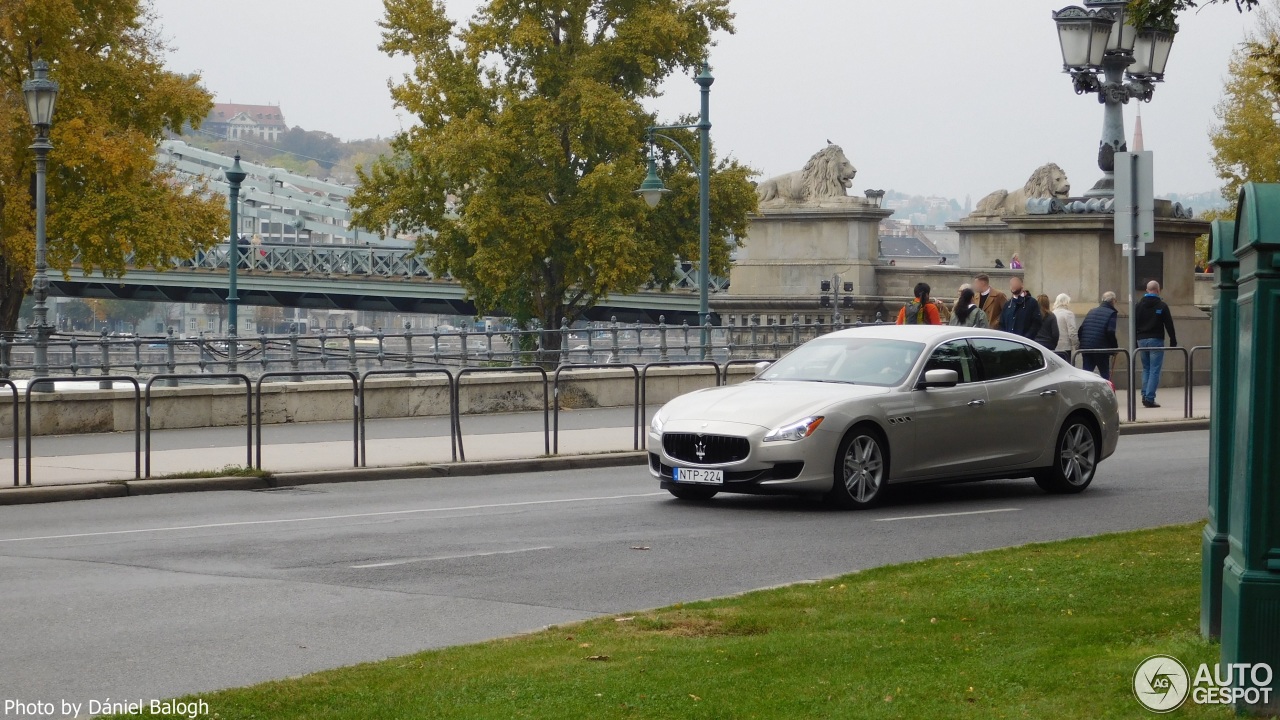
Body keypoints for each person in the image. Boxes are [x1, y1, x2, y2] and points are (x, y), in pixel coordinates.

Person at [1135, 281, 1178, 408]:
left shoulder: (1139, 305)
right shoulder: (1162, 305)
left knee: (1146, 368)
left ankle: (1144, 394)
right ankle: (1149, 398)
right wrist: (1173, 341)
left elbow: (1134, 323)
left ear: (1147, 290)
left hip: (1141, 339)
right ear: (1158, 290)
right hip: (1156, 339)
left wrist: (1135, 341)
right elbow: (1169, 324)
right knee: (1154, 370)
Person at [1079, 291, 1119, 380]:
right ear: (1113, 301)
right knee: (1104, 374)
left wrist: (1082, 343)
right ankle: (1106, 393)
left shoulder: (1091, 311)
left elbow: (1081, 329)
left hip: (1086, 347)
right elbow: (1110, 332)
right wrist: (1114, 348)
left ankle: (1085, 393)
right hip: (1101, 348)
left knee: (1086, 374)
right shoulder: (1111, 313)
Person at [1050, 293, 1080, 361]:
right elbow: (1072, 332)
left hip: (1054, 347)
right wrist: (1076, 345)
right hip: (1065, 347)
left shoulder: (1052, 313)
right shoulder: (1068, 314)